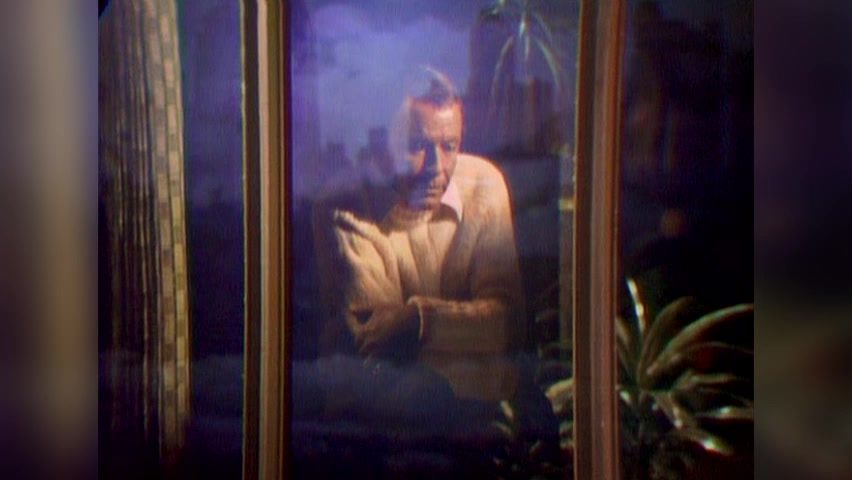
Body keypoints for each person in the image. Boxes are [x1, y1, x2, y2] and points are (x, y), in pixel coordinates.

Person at [311, 67, 526, 402]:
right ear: (379, 146)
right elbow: (380, 359)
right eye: (416, 146)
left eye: (450, 145)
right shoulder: (343, 205)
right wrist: (476, 348)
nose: (436, 166)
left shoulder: (483, 184)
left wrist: (417, 320)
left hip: (480, 420)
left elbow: (507, 326)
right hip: (381, 421)